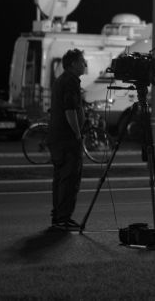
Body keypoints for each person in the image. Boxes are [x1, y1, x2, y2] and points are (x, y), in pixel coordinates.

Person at [46, 48, 88, 231]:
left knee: (60, 179)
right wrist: (78, 134)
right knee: (69, 179)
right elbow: (70, 110)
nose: (85, 64)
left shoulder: (60, 80)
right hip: (67, 139)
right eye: (82, 61)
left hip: (57, 138)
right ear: (73, 64)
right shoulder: (70, 82)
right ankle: (63, 218)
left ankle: (58, 216)